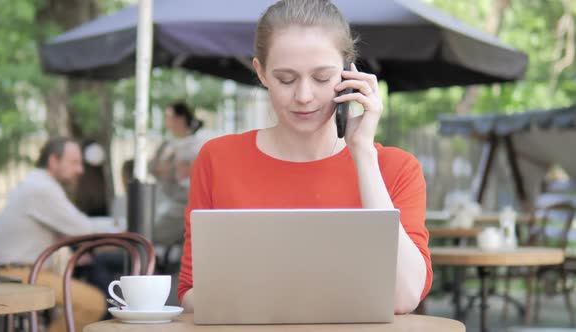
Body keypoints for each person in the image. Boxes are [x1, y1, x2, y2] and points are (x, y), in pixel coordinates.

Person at [177, 0, 431, 314]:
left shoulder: (396, 168)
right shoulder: (218, 159)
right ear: (262, 73)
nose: (304, 96)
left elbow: (405, 296)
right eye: (286, 79)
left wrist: (363, 153)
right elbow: (190, 291)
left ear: (349, 74)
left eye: (322, 78)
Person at [0, 137, 105, 332]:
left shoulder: (36, 184)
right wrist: (119, 227)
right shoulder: (42, 188)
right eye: (74, 162)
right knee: (93, 303)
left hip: (17, 271)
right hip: (17, 274)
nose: (80, 170)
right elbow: (84, 229)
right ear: (53, 161)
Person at [149, 102, 204, 248]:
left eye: (169, 117)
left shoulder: (195, 145)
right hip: (165, 200)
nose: (166, 121)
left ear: (180, 119)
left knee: (151, 234)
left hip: (182, 205)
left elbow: (188, 173)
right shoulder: (166, 144)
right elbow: (153, 167)